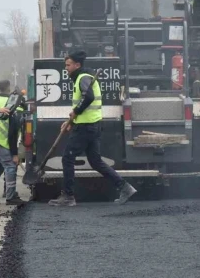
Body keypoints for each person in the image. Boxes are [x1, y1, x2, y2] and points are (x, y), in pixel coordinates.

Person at [48, 50, 137, 207]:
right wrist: (71, 120)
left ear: (77, 65)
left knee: (67, 158)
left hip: (86, 128)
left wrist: (76, 112)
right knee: (95, 161)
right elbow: (84, 105)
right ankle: (125, 187)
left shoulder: (82, 78)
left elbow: (87, 98)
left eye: (68, 65)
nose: (66, 68)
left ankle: (68, 196)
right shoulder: (85, 77)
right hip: (92, 125)